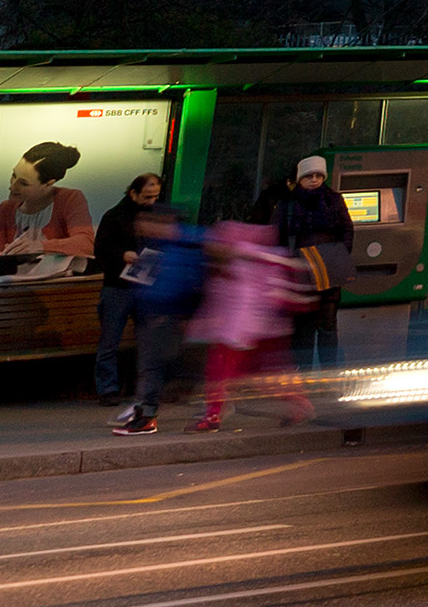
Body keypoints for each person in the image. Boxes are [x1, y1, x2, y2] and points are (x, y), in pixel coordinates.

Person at [184, 219, 303, 434]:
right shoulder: (231, 264)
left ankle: (214, 414)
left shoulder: (247, 258)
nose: (212, 248)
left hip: (243, 331)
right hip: (245, 330)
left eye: (217, 242)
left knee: (227, 372)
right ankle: (299, 405)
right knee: (242, 373)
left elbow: (244, 300)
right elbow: (219, 299)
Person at [110, 207, 207, 435]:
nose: (140, 226)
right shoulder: (157, 245)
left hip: (167, 316)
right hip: (153, 315)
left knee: (154, 368)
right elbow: (139, 284)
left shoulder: (183, 247)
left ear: (165, 222)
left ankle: (147, 416)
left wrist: (184, 315)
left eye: (146, 221)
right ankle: (145, 412)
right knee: (156, 367)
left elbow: (191, 285)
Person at [267, 155, 351, 368]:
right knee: (303, 328)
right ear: (300, 178)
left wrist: (339, 255)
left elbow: (347, 230)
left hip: (328, 272)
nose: (314, 180)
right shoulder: (288, 204)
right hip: (301, 272)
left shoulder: (334, 200)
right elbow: (277, 235)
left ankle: (327, 374)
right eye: (309, 176)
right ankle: (303, 376)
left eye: (318, 176)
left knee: (327, 326)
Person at [90, 170, 166, 401]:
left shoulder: (154, 216)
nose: (152, 201)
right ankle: (108, 390)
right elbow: (100, 250)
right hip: (118, 287)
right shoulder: (115, 216)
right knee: (110, 341)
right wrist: (123, 254)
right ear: (133, 193)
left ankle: (141, 388)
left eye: (155, 196)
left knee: (147, 341)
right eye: (147, 197)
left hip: (144, 286)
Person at [0, 141, 92, 262]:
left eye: (24, 183)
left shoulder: (70, 199)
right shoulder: (5, 209)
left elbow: (85, 244)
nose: (12, 186)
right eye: (13, 175)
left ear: (48, 184)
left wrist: (39, 246)